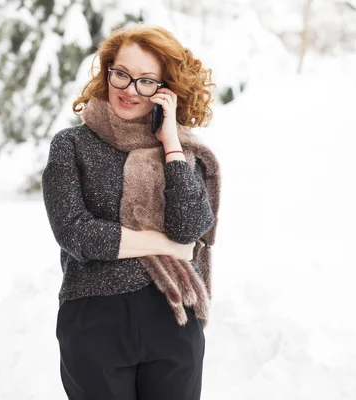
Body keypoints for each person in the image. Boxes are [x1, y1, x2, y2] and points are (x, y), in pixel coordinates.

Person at [41, 23, 220, 400]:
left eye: (146, 81)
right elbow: (76, 233)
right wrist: (166, 246)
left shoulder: (185, 153)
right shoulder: (70, 146)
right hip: (94, 319)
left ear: (166, 90)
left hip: (173, 317)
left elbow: (189, 227)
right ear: (107, 71)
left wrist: (170, 143)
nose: (129, 89)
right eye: (121, 74)